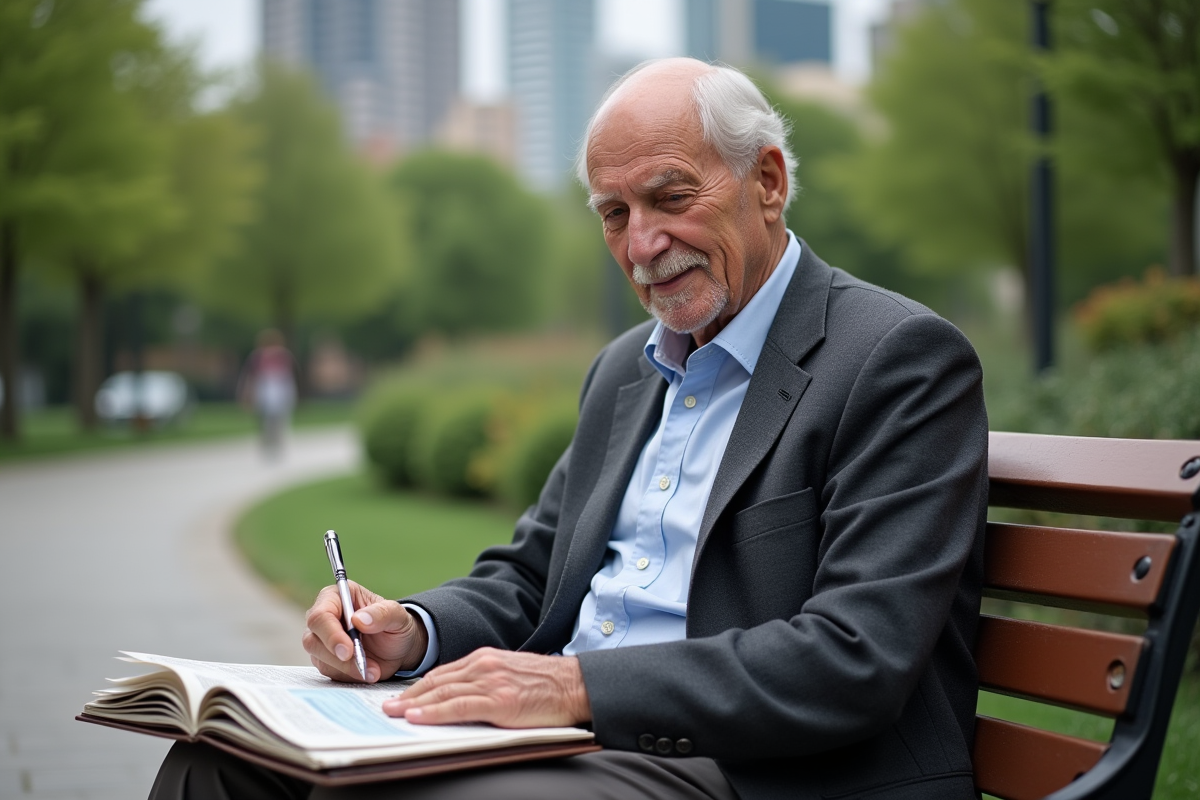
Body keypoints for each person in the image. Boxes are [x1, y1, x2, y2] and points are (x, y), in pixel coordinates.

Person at [151, 58, 988, 800]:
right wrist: (412, 629)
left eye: (669, 197)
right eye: (613, 213)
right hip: (571, 745)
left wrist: (575, 687)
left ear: (766, 181)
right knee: (215, 764)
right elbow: (530, 579)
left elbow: (853, 658)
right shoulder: (625, 369)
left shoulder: (897, 360)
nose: (644, 244)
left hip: (748, 765)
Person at [237, 329, 298, 459]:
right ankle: (268, 444)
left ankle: (276, 444)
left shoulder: (284, 356)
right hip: (264, 391)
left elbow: (289, 377)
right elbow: (250, 377)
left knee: (278, 420)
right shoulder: (257, 357)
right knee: (265, 420)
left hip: (279, 392)